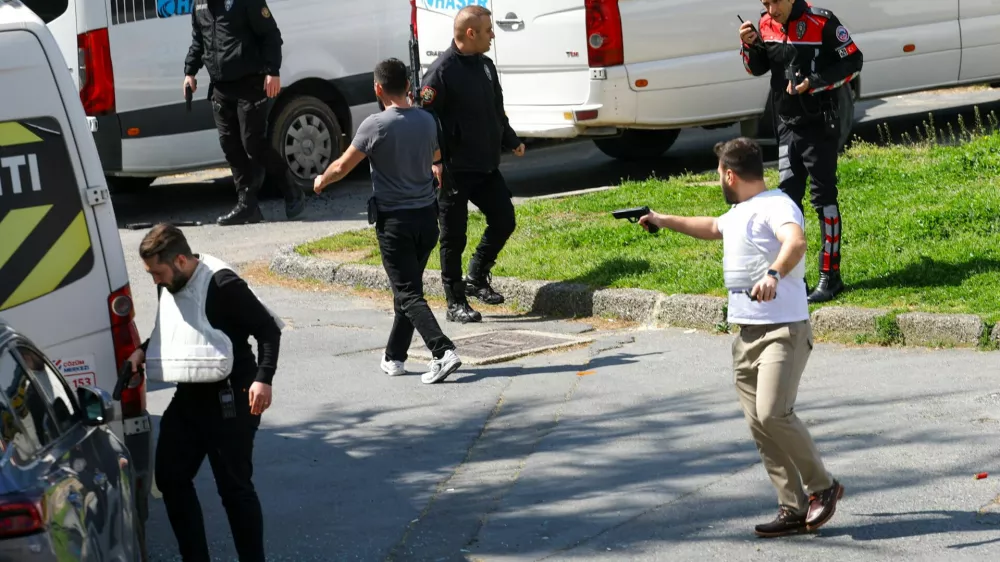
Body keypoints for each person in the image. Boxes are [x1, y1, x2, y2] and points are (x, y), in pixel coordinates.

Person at [637, 137, 843, 538]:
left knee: (773, 413)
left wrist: (773, 274)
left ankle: (824, 487)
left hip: (783, 330)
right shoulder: (738, 212)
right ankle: (792, 508)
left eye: (719, 173)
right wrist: (661, 219)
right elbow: (713, 226)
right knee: (760, 426)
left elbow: (796, 242)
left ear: (729, 174)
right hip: (746, 334)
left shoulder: (778, 204)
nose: (719, 180)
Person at [127, 224, 283, 561]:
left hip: (233, 396)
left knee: (234, 489)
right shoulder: (169, 284)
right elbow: (178, 329)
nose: (154, 280)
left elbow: (268, 330)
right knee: (170, 476)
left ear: (181, 259)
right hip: (190, 395)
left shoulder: (223, 284)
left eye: (157, 271)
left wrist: (263, 378)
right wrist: (143, 350)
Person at [313, 59, 463, 385]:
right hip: (427, 219)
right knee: (408, 291)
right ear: (409, 86)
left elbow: (342, 166)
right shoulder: (426, 120)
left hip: (395, 222)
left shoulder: (375, 125)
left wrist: (320, 181)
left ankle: (442, 351)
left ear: (378, 89)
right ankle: (394, 356)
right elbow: (436, 160)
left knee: (408, 293)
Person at [739, 0, 863, 303]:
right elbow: (757, 68)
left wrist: (815, 83)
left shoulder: (822, 21)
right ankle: (793, 278)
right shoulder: (766, 23)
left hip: (820, 123)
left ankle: (829, 277)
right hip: (786, 126)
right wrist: (750, 46)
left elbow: (853, 61)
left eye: (775, 2)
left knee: (824, 200)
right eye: (764, 3)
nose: (770, 9)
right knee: (787, 201)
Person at [418, 5, 526, 324]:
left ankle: (477, 277)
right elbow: (424, 119)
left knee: (504, 219)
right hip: (453, 170)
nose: (493, 34)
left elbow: (496, 111)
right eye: (488, 30)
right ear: (470, 33)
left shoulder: (486, 67)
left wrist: (511, 139)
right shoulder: (441, 73)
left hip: (484, 166)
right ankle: (455, 302)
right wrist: (436, 160)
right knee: (454, 237)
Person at [184, 0, 305, 226]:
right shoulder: (198, 5)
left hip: (250, 84)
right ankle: (247, 206)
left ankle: (291, 187)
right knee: (230, 145)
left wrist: (272, 71)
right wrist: (190, 72)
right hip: (220, 87)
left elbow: (271, 35)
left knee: (253, 143)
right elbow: (198, 41)